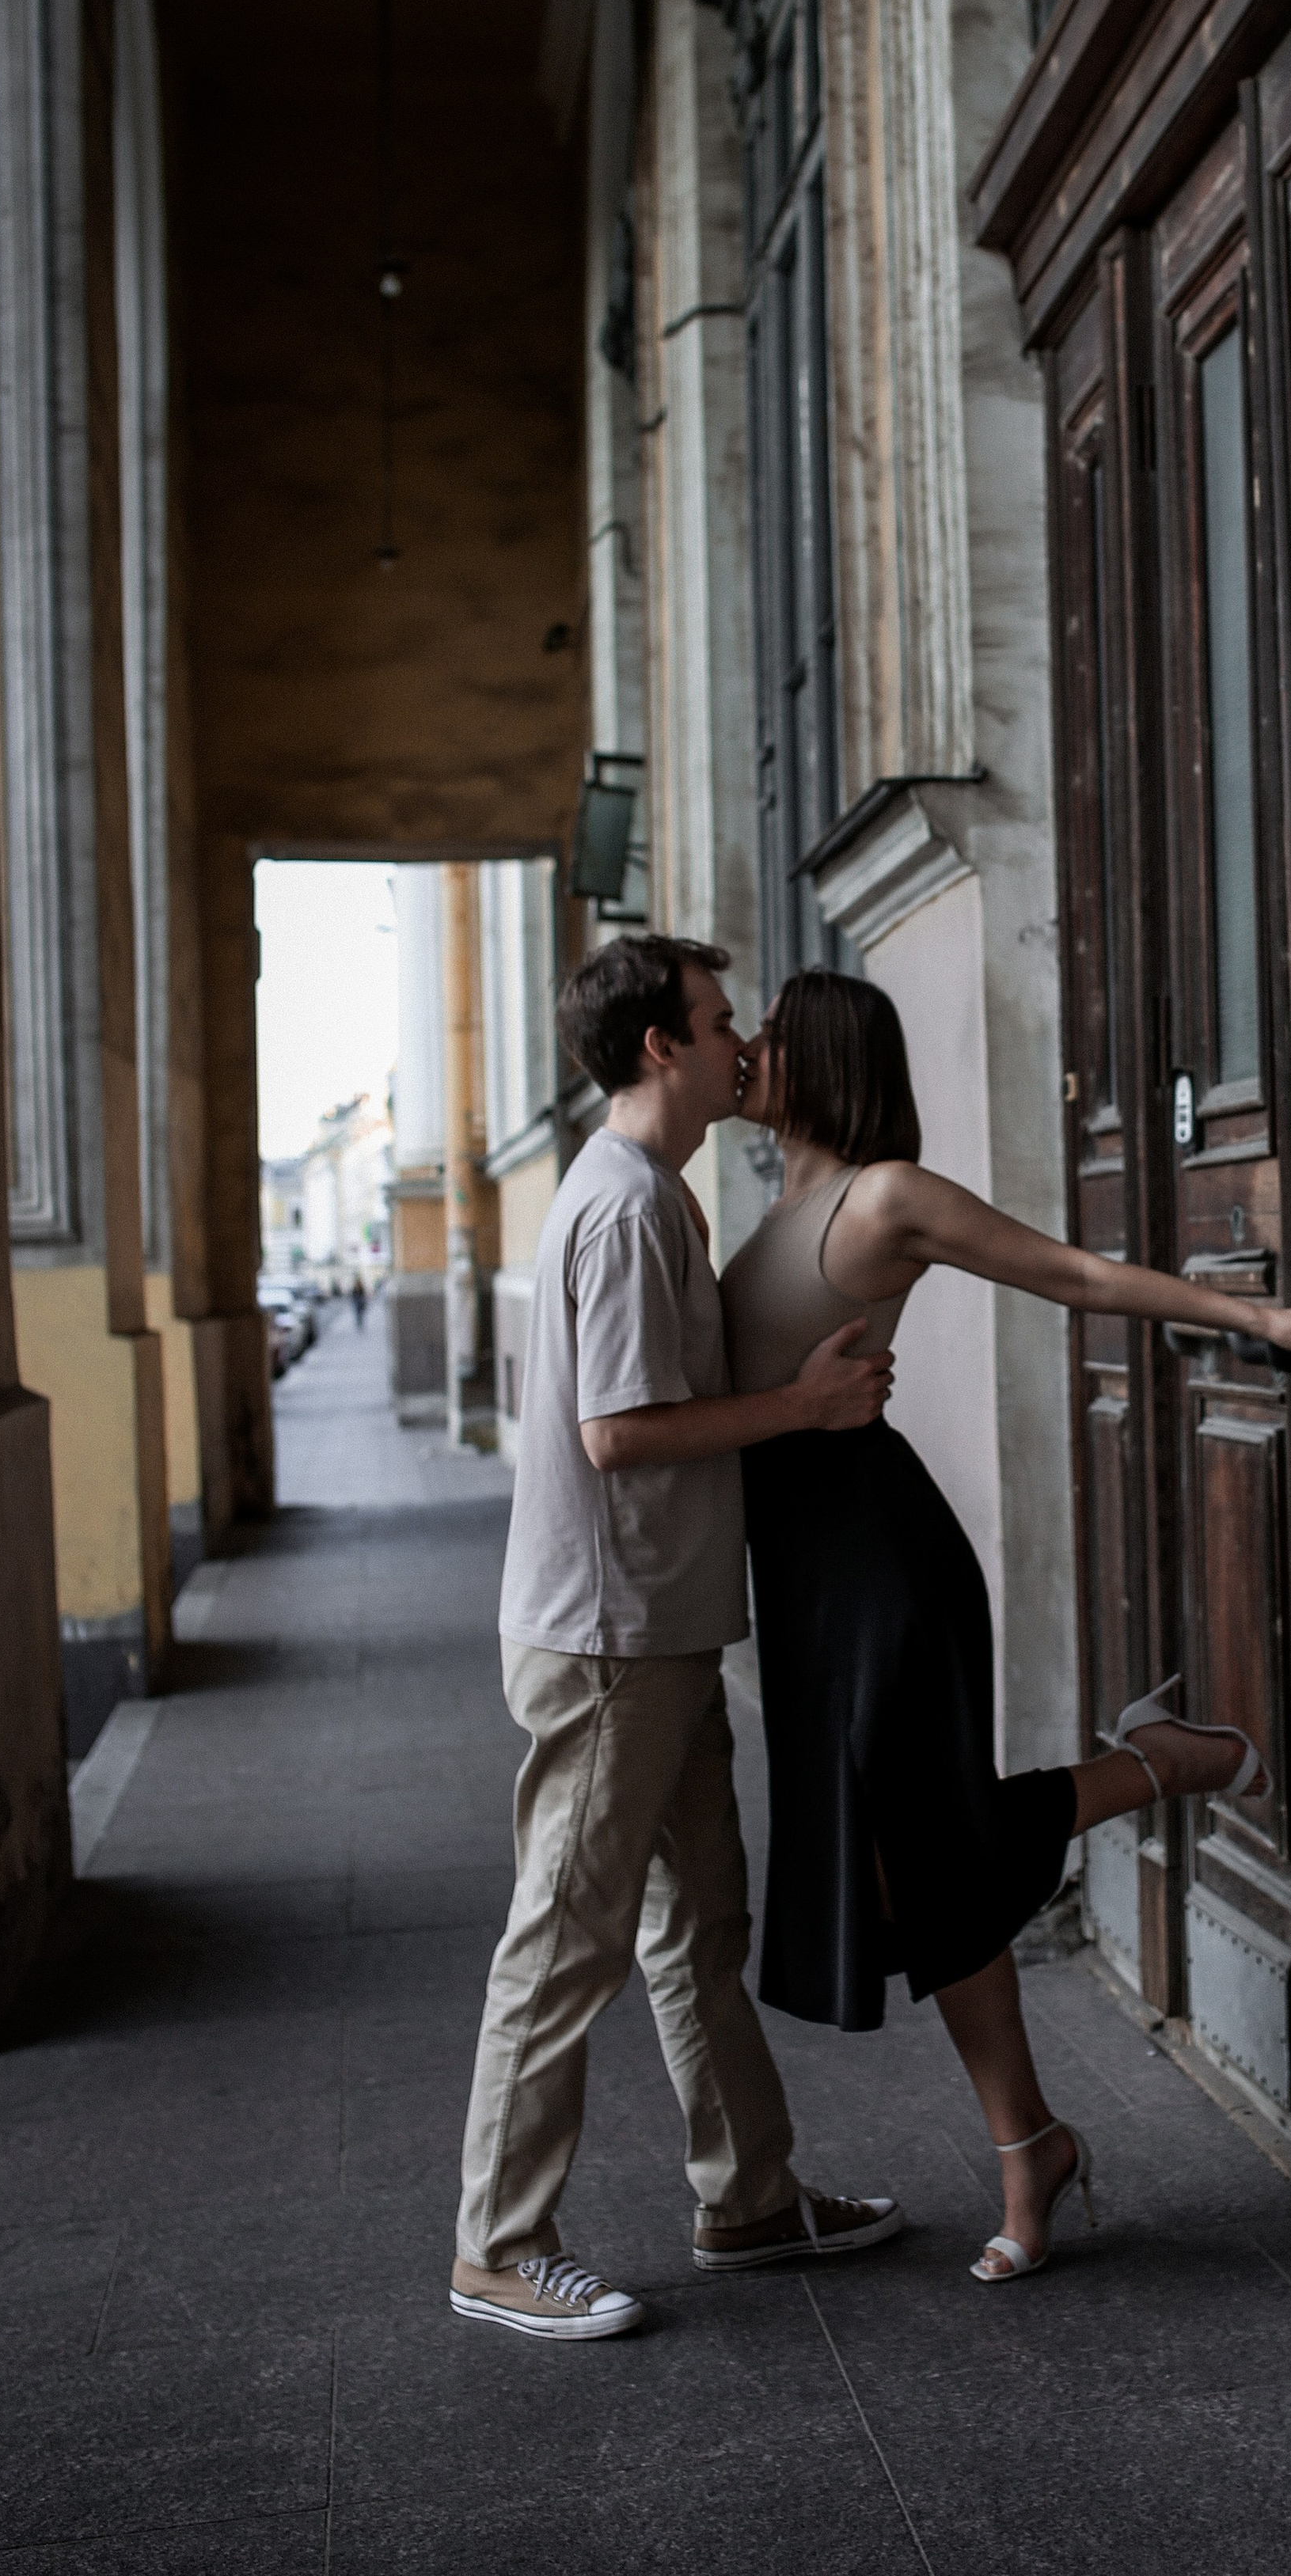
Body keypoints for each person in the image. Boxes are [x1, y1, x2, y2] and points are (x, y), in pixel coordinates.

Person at [722, 966, 1291, 2285]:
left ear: (822, 1054)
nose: (750, 1049)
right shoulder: (768, 1203)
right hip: (808, 1579)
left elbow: (1070, 1273)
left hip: (883, 1563)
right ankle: (1034, 2144)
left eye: (770, 1034)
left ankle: (1164, 1764)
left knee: (913, 1865)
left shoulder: (882, 1193)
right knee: (925, 1865)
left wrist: (1254, 1317)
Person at [450, 935, 906, 2341]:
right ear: (661, 1046)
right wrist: (808, 1409)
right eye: (718, 1023)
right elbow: (620, 1433)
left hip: (658, 1623)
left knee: (699, 1920)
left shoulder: (651, 1191)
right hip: (611, 1639)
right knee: (570, 1936)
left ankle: (749, 2194)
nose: (740, 1047)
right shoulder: (632, 1207)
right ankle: (499, 2245)